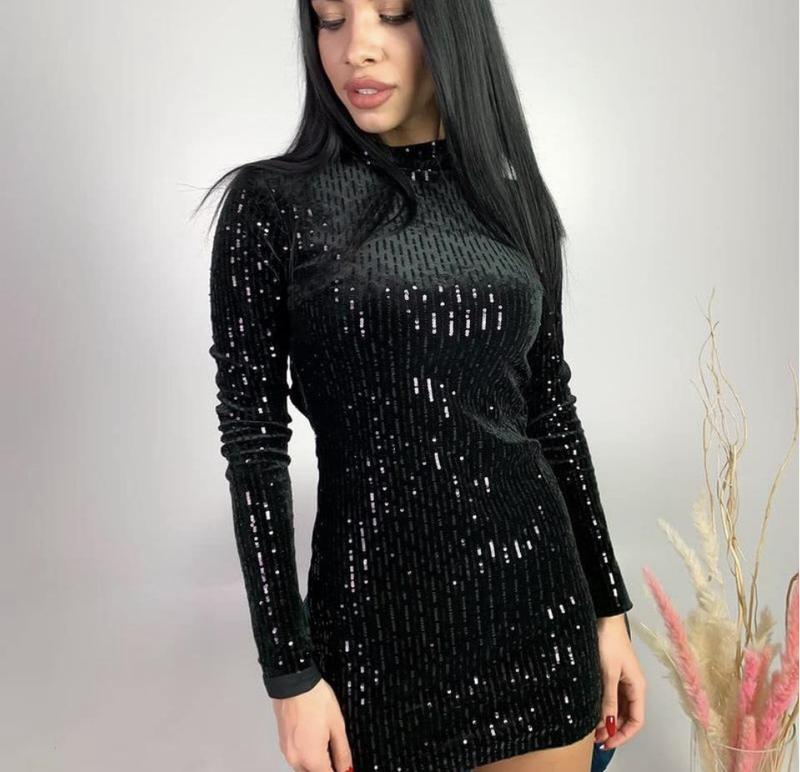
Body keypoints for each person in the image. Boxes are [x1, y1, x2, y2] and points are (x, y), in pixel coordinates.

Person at [202, 1, 646, 770]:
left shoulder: (513, 200)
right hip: (374, 644)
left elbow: (549, 411)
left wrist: (611, 612)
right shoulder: (271, 206)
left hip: (541, 621)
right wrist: (289, 673)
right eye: (329, 19)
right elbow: (254, 442)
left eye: (393, 13)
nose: (356, 48)